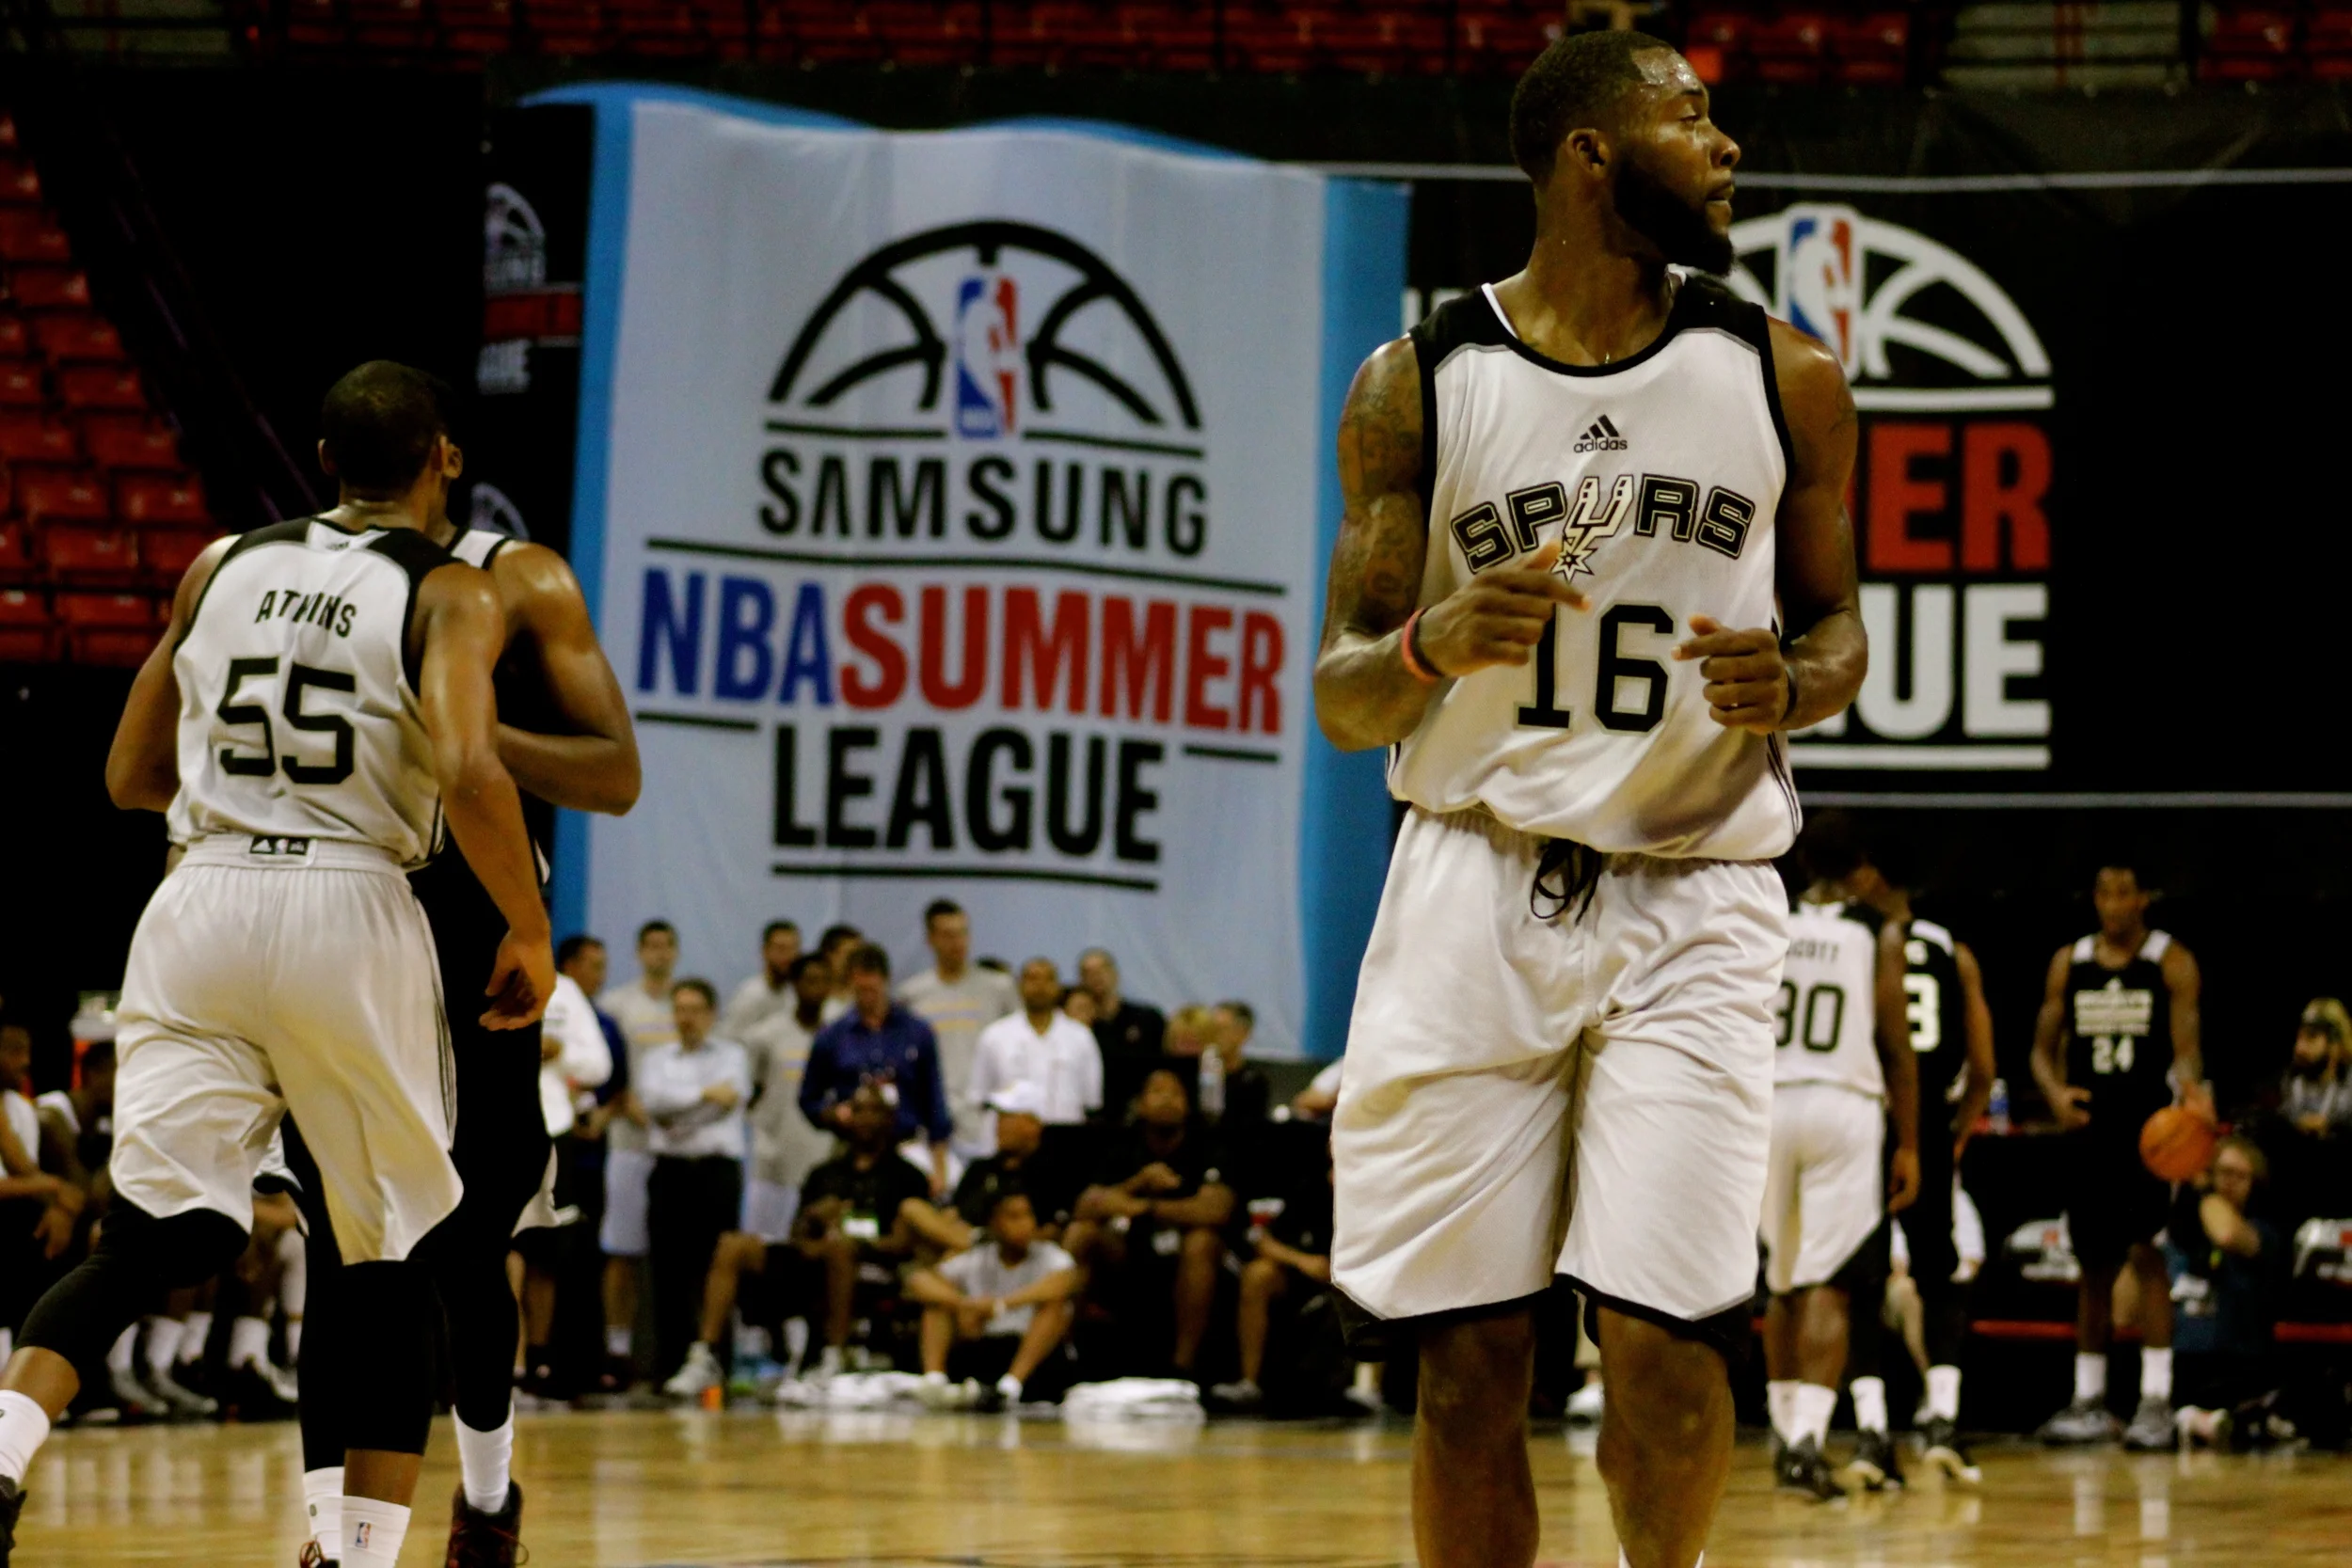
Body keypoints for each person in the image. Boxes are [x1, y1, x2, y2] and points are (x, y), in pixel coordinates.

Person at [1311, 28, 1866, 1568]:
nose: (1728, 145)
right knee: (1467, 1364)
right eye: (1695, 118)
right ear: (1591, 153)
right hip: (1472, 879)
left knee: (1667, 1350)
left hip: (1694, 890)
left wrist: (1793, 682)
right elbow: (1344, 693)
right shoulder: (1419, 384)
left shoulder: (1789, 377)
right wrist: (1427, 642)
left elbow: (1840, 629)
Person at [0, 359, 553, 1568]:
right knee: (389, 1253)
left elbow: (130, 776)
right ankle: (357, 1555)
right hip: (348, 901)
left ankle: (0, 1445)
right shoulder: (449, 588)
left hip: (196, 897)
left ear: (322, 458)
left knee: (148, 1236)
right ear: (443, 460)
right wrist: (526, 925)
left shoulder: (218, 563)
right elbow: (472, 768)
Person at [278, 370, 639, 1568]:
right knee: (340, 1239)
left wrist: (464, 735)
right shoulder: (286, 574)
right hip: (335, 916)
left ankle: (487, 1496)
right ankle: (331, 1532)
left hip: (477, 928)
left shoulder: (517, 576)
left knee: (470, 1242)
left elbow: (614, 771)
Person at [1759, 825, 1918, 1499]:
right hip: (1841, 1103)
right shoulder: (1876, 932)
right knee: (1830, 1281)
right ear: (1859, 870)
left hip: (1770, 1101)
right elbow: (1896, 1043)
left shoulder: (1770, 916)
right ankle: (1806, 1441)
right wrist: (1909, 1141)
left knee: (1782, 1280)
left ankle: (1782, 1428)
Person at [2030, 863, 2205, 1450]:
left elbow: (2187, 1051)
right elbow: (2039, 1051)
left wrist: (2193, 1105)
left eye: (2124, 892)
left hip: (2149, 1131)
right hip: (2090, 1131)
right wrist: (2055, 1095)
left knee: (2147, 1254)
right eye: (2104, 892)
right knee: (2093, 1264)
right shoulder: (2070, 961)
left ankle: (2155, 1400)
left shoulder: (2168, 960)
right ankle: (2089, 1400)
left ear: (2144, 898)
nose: (2113, 904)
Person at [667, 1085, 964, 1395]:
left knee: (840, 1249)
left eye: (874, 1111)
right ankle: (706, 1354)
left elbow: (907, 1244)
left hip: (869, 1263)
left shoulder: (907, 1176)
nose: (864, 1119)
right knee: (733, 1245)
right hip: (810, 1258)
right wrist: (814, 1218)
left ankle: (832, 1356)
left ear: (890, 1119)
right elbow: (797, 1231)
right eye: (858, 1110)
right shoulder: (825, 1173)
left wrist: (858, 1241)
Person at [1064, 1069, 1235, 1379]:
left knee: (1201, 1242)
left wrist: (1143, 1207)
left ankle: (1182, 1367)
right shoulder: (1122, 1144)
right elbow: (1086, 1205)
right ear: (1140, 1105)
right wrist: (1138, 1183)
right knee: (1080, 1233)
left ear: (1188, 1105)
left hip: (1188, 1256)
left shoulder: (1207, 1144)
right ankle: (1061, 1350)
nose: (1167, 1100)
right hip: (1129, 1250)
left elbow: (1214, 1210)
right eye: (1158, 1092)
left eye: (1176, 1093)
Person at [511, 940, 614, 1397]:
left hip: (552, 1130)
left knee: (547, 1253)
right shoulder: (481, 978)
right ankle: (506, 1359)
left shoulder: (565, 991)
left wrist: (559, 1052)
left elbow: (599, 1066)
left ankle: (539, 1360)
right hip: (494, 1129)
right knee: (503, 1251)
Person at [639, 980, 751, 1386]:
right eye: (680, 1009)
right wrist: (703, 1095)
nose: (687, 1018)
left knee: (717, 1265)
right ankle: (669, 1363)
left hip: (715, 1172)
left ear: (711, 1014)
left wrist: (677, 1114)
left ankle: (715, 1358)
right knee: (668, 1268)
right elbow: (654, 1103)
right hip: (670, 1171)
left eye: (695, 1009)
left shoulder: (732, 1056)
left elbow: (729, 1101)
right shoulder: (656, 1060)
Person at [595, 919, 679, 1388]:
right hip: (630, 1141)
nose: (659, 954)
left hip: (679, 1145)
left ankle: (670, 1350)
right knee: (622, 1248)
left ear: (676, 952)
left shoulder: (687, 1002)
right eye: (651, 946)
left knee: (671, 1252)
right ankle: (617, 1348)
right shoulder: (619, 1005)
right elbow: (610, 1073)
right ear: (639, 952)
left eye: (666, 946)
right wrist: (632, 1108)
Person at [801, 944, 952, 1197]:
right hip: (852, 1149)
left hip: (906, 1144)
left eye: (872, 989)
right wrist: (834, 1113)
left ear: (885, 981)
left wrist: (939, 1162)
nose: (867, 997)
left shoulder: (917, 1032)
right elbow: (809, 1098)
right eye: (860, 990)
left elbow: (934, 1099)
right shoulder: (832, 1036)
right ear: (850, 985)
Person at [908, 1190, 1080, 1410]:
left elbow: (1064, 1283)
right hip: (982, 1343)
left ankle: (1009, 1388)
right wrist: (964, 1304)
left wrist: (1001, 1305)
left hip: (1028, 1354)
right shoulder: (978, 1256)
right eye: (1014, 1217)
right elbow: (919, 1281)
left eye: (1028, 1216)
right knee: (937, 1304)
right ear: (994, 1223)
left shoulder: (1050, 1256)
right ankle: (934, 1381)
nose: (1024, 1225)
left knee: (1057, 1307)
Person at [2167, 1136, 2287, 1447]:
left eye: (2240, 1175)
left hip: (2237, 1369)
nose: (2230, 1182)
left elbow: (2226, 1233)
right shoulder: (2181, 1236)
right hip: (2182, 1366)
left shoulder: (2262, 1233)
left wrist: (2205, 1190)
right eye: (2223, 1173)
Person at [1210, 1153, 1336, 1413]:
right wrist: (1303, 1261)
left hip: (1350, 1271)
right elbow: (1262, 1240)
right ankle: (1249, 1383)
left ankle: (1366, 1388)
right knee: (1258, 1275)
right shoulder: (1304, 1186)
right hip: (1301, 1271)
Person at [898, 900, 1020, 1158]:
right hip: (931, 1113)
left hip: (983, 1113)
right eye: (948, 935)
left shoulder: (999, 988)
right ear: (931, 940)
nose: (957, 943)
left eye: (963, 933)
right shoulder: (912, 994)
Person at [736, 955, 839, 1249]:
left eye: (823, 981)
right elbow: (750, 1091)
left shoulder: (839, 1035)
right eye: (809, 981)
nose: (816, 989)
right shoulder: (766, 1035)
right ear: (794, 985)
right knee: (764, 1244)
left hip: (823, 1153)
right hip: (774, 1154)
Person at [967, 958, 1104, 1148]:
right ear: (1019, 985)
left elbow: (1091, 1101)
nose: (1040, 986)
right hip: (1012, 1145)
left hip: (1066, 1142)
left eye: (1048, 979)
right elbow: (980, 1097)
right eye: (1032, 979)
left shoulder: (1081, 1037)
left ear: (1058, 987)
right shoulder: (995, 1036)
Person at [1078, 948, 1167, 1117]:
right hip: (1095, 1114)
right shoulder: (1080, 1029)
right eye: (1088, 973)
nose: (1096, 977)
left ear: (1115, 974)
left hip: (1141, 1114)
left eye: (1102, 969)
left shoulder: (1147, 1018)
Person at [723, 921, 803, 1039]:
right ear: (765, 951)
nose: (789, 956)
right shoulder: (750, 995)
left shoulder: (795, 994)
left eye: (793, 949)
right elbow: (729, 1039)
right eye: (781, 949)